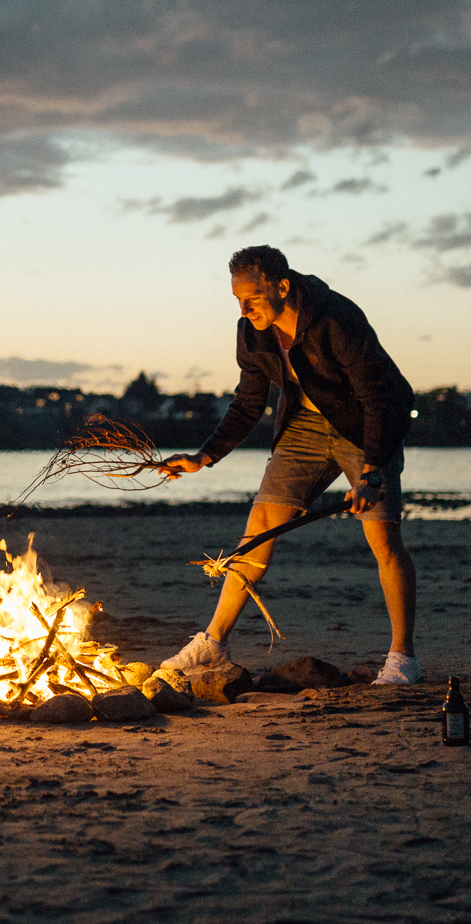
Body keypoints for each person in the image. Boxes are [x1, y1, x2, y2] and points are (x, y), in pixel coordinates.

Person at [158, 245, 422, 683]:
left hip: (368, 424)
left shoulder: (336, 318)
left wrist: (373, 471)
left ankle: (403, 659)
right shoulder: (252, 331)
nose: (244, 310)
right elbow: (248, 403)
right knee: (260, 523)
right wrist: (205, 456)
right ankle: (213, 644)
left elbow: (381, 397)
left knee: (383, 536)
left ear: (282, 287)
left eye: (252, 299)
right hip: (305, 428)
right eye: (237, 301)